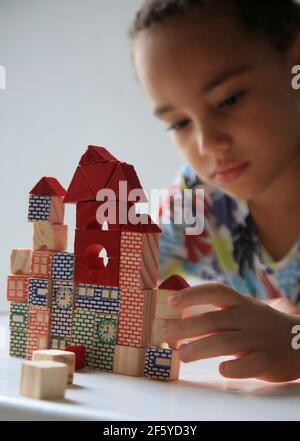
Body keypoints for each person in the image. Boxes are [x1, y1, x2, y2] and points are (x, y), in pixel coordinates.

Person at [129, 0, 300, 382]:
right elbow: (129, 290)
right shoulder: (195, 196)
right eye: (179, 123)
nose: (207, 144)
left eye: (229, 99)